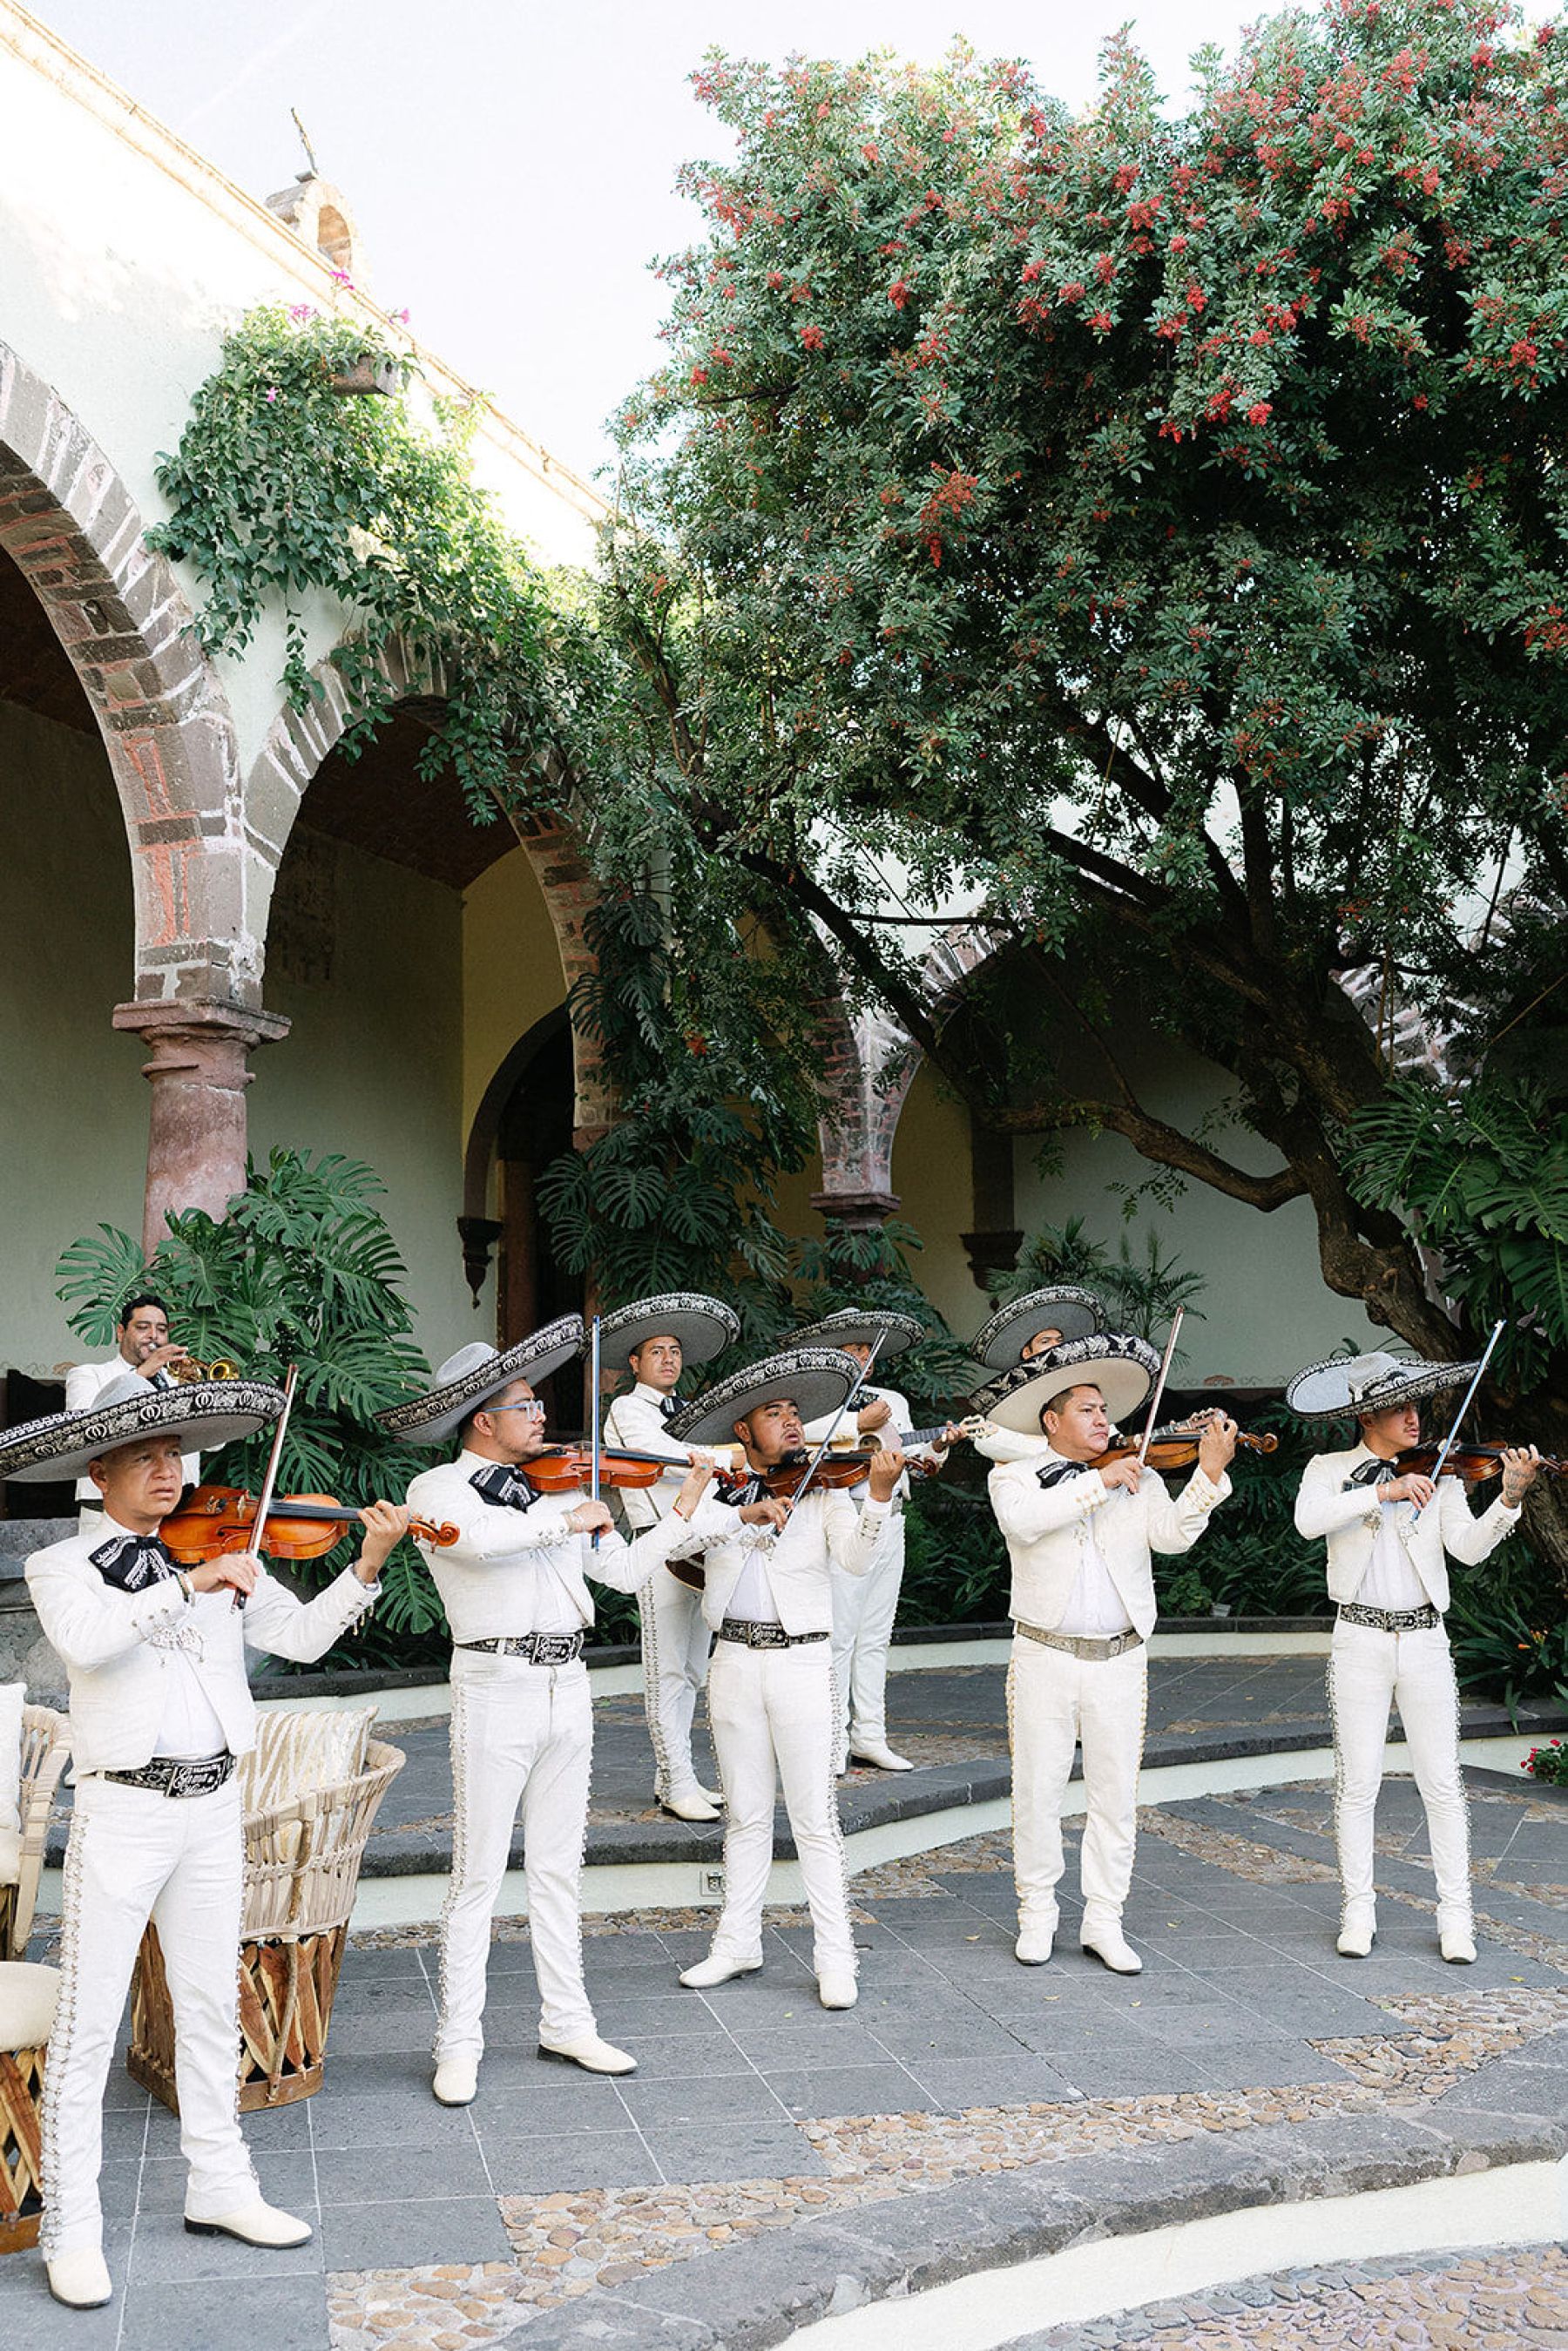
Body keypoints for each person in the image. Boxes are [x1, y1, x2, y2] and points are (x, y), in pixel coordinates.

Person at [0, 1370, 406, 2314]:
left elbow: (302, 1638)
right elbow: (91, 1644)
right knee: (90, 2021)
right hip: (124, 1807)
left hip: (212, 1803)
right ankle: (71, 2227)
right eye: (144, 1456)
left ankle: (219, 2184)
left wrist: (370, 1562)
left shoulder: (226, 1548)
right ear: (97, 1470)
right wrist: (189, 1581)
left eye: (175, 1454)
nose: (168, 1470)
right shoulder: (60, 1566)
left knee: (207, 2001)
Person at [377, 1321, 729, 2110]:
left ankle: (566, 2020)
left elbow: (624, 1569)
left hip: (566, 1682)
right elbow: (475, 1541)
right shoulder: (440, 1491)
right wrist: (563, 1515)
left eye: (538, 1403)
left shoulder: (558, 1485)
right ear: (482, 1421)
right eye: (525, 1404)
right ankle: (458, 2042)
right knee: (475, 1876)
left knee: (559, 1869)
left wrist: (685, 1508)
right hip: (493, 1683)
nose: (543, 1417)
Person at [977, 1333, 1237, 1976]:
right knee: (1036, 1790)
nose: (1105, 1421)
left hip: (1121, 1656)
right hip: (1043, 1654)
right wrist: (1098, 1480)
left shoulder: (1139, 1473)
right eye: (1089, 1410)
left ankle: (1104, 1920)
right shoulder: (1010, 1475)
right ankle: (1037, 1915)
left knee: (1115, 1795)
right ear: (1052, 1419)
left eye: (1106, 1411)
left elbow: (1172, 1538)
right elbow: (1027, 1523)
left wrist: (1206, 1475)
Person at [664, 1348, 903, 2009]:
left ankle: (836, 1955)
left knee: (814, 1819)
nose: (794, 1423)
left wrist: (876, 1497)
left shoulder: (824, 1489)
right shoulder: (718, 1494)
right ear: (744, 1430)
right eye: (776, 1413)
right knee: (743, 1814)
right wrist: (717, 1499)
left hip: (801, 1660)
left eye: (798, 1412)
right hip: (734, 1660)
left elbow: (856, 1560)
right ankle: (736, 1942)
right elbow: (674, 1547)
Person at [1287, 1350, 1540, 1964]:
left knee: (1442, 1782)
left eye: (1418, 1405)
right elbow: (1307, 1520)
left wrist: (1507, 1498)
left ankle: (1457, 1917)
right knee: (1358, 1783)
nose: (1415, 1417)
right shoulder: (1330, 1468)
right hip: (1359, 1638)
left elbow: (1468, 1549)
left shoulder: (1445, 1472)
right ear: (1368, 1414)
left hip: (1425, 1638)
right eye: (1400, 1406)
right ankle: (1358, 1910)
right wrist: (1384, 1490)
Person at [795, 1307, 959, 1773]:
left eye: (866, 1347)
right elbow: (802, 1443)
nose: (860, 1354)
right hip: (846, 1519)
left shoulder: (892, 1399)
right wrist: (859, 1423)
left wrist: (939, 1447)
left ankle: (869, 1735)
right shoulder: (815, 1399)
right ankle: (830, 1739)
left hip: (891, 1517)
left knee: (875, 1636)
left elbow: (908, 1452)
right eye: (849, 1347)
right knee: (840, 1634)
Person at [599, 1293, 740, 1822]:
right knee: (666, 1672)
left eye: (675, 1351)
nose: (668, 1359)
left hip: (698, 1543)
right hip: (658, 1543)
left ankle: (674, 1777)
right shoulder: (628, 1408)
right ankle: (677, 1781)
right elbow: (669, 1460)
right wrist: (727, 1457)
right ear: (635, 1363)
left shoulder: (686, 1409)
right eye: (657, 1351)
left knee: (692, 1671)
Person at [64, 1294, 199, 1530]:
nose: (153, 1336)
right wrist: (142, 1373)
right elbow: (84, 1429)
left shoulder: (181, 1381)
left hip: (178, 1511)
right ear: (120, 1332)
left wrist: (199, 1396)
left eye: (161, 1329)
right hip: (106, 1512)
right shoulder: (88, 1375)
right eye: (142, 1327)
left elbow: (215, 1444)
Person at [969, 1287, 1106, 1469]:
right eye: (1045, 1341)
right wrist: (1073, 1450)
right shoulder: (1010, 1395)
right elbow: (988, 1441)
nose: (1056, 1347)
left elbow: (1107, 1434)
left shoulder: (1078, 1390)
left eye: (1059, 1340)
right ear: (1027, 1352)